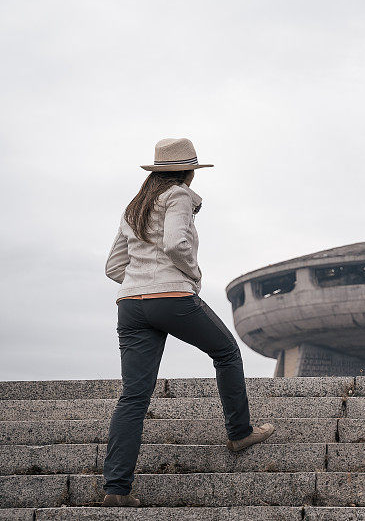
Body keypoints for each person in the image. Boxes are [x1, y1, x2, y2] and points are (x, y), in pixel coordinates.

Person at [101, 138, 274, 507]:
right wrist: (191, 277)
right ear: (190, 170)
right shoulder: (178, 195)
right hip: (172, 298)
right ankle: (240, 432)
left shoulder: (135, 205)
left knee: (133, 395)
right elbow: (176, 244)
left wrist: (141, 283)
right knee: (226, 352)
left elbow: (114, 266)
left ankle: (116, 489)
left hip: (130, 305)